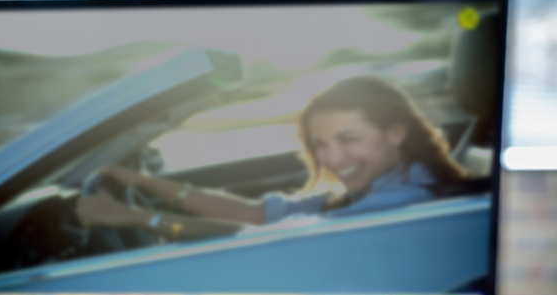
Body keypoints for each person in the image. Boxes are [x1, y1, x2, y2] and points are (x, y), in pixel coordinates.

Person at [75, 76, 467, 242]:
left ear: (396, 131)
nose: (331, 158)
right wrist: (146, 184)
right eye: (320, 144)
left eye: (348, 139)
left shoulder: (404, 201)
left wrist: (135, 217)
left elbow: (257, 240)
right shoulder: (381, 184)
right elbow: (256, 215)